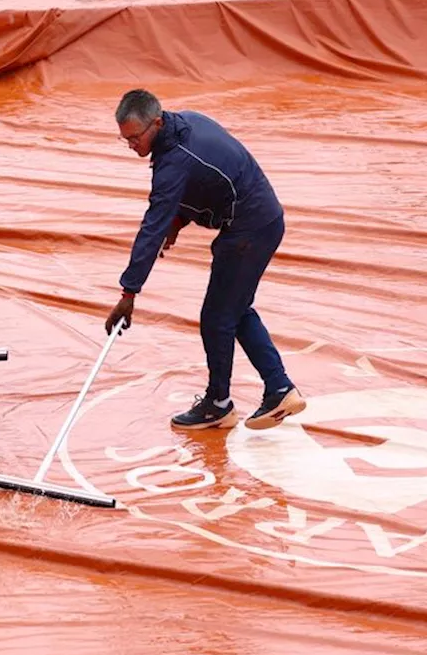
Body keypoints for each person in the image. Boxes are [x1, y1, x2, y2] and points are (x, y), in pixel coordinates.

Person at [105, 89, 305, 431]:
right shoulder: (188, 121)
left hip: (249, 230)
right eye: (124, 139)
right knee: (234, 310)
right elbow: (208, 179)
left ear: (156, 122)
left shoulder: (173, 164)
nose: (132, 146)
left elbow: (151, 229)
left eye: (135, 138)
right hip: (261, 218)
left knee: (217, 317)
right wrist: (179, 220)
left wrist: (129, 294)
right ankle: (279, 387)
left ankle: (219, 404)